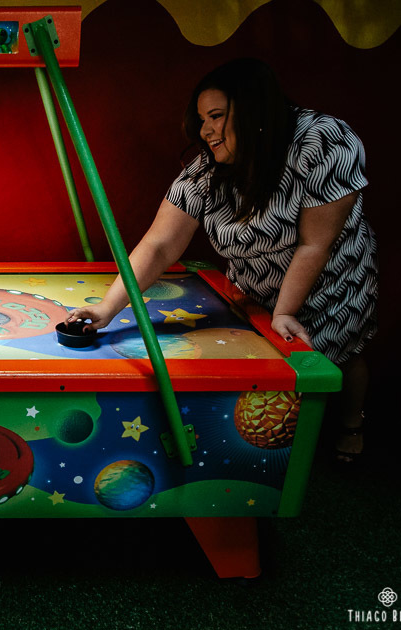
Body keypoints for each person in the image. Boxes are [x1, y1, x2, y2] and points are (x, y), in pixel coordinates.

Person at [67, 58, 377, 464]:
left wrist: (286, 310)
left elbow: (314, 244)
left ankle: (351, 424)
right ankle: (276, 455)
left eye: (216, 115)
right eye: (201, 119)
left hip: (331, 279)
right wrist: (107, 309)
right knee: (276, 378)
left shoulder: (325, 141)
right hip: (254, 283)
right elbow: (160, 244)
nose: (205, 131)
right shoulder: (209, 169)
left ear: (254, 111)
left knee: (343, 354)